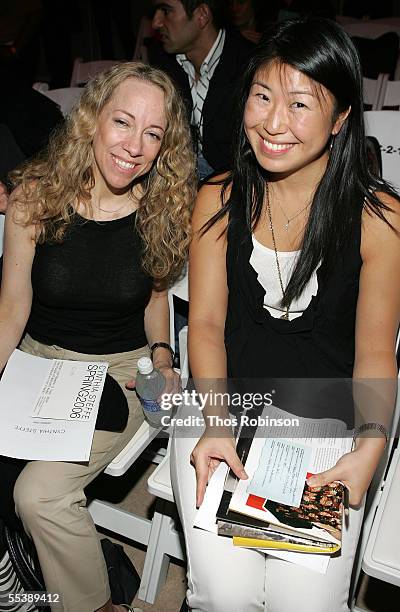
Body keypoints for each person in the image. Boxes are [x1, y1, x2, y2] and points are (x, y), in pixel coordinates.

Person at [171, 17, 400, 612]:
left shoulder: (380, 220)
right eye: (262, 96)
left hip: (324, 425)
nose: (273, 124)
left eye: (300, 104)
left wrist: (370, 444)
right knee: (224, 597)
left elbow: (376, 353)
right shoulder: (216, 200)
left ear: (342, 116)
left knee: (308, 604)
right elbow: (208, 327)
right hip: (224, 408)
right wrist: (216, 422)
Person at [0, 61, 196, 612]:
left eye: (153, 134)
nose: (135, 146)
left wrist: (163, 355)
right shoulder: (35, 195)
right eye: (123, 122)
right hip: (33, 362)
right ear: (92, 119)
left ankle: (93, 604)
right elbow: (12, 308)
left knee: (38, 496)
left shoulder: (162, 207)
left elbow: (157, 301)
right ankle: (21, 581)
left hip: (115, 373)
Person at [149, 0, 254, 179]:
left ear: (202, 15)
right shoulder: (162, 63)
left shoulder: (250, 67)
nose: (155, 22)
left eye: (166, 11)